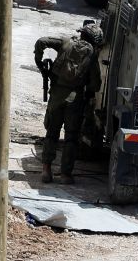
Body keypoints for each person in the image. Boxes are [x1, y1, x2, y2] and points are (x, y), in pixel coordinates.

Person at [35, 22, 104, 184]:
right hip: (76, 99)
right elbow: (95, 83)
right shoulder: (91, 53)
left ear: (82, 34)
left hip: (57, 96)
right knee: (71, 137)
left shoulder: (65, 42)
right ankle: (65, 174)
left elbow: (41, 41)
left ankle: (46, 170)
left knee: (51, 133)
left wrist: (39, 62)